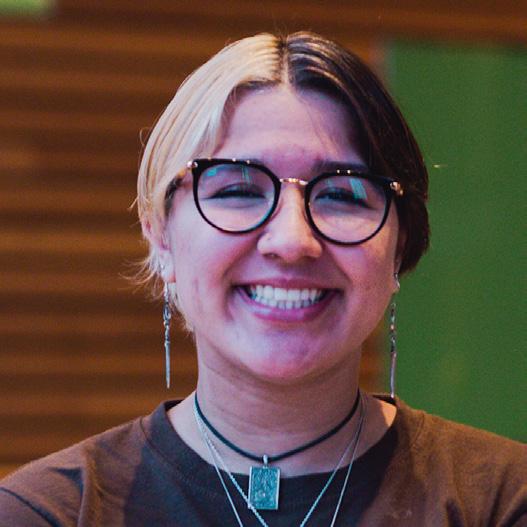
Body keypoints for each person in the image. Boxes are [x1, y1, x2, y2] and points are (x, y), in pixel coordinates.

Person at [0, 32, 525, 527]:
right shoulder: (47, 512)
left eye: (341, 195)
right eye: (238, 190)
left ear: (400, 246)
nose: (292, 240)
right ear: (160, 235)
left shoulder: (502, 501)